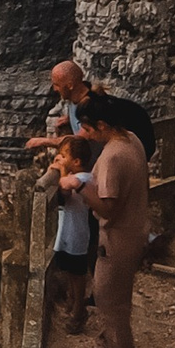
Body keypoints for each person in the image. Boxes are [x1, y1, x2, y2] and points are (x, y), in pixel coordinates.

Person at [59, 93, 151, 348]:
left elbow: (108, 208)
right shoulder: (131, 138)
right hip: (135, 230)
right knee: (109, 295)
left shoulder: (113, 156)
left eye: (87, 128)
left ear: (101, 125)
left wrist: (77, 184)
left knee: (111, 303)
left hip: (118, 238)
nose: (84, 135)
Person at [40, 136, 98, 336]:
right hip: (68, 232)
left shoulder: (83, 179)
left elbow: (64, 190)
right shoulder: (79, 176)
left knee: (78, 273)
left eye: (64, 156)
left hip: (77, 234)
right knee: (71, 271)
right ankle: (73, 300)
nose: (59, 158)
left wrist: (60, 170)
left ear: (77, 162)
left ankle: (79, 310)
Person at [25, 59, 95, 153]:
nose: (54, 89)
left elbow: (78, 140)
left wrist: (43, 141)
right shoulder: (73, 97)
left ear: (70, 85)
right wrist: (70, 118)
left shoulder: (92, 106)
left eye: (57, 85)